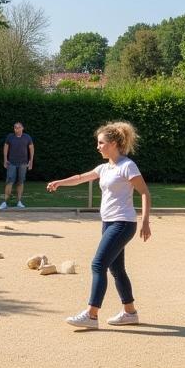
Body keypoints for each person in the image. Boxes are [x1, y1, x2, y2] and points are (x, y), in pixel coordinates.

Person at [46, 121, 151, 329]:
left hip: (123, 223)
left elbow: (145, 193)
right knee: (116, 269)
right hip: (109, 223)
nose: (98, 146)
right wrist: (59, 182)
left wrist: (145, 221)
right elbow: (80, 178)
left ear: (113, 143)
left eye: (101, 143)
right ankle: (130, 312)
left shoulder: (127, 166)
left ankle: (91, 315)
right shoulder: (104, 168)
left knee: (97, 264)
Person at [0, 120, 35, 208]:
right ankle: (4, 202)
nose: (17, 129)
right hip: (11, 163)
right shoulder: (10, 137)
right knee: (9, 181)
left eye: (18, 127)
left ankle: (19, 202)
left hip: (23, 163)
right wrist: (5, 159)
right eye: (15, 127)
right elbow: (5, 148)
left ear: (22, 128)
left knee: (21, 182)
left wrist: (31, 161)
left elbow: (31, 149)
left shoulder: (27, 137)